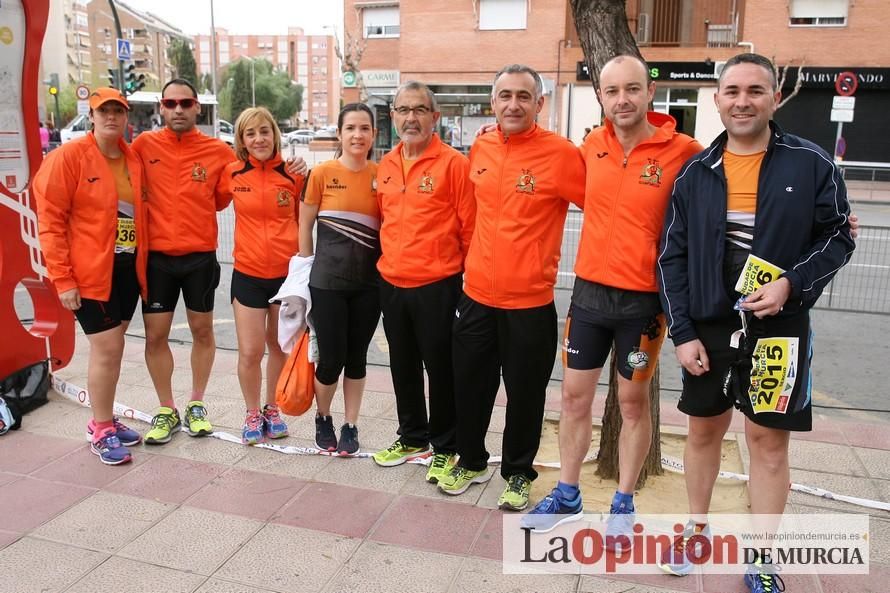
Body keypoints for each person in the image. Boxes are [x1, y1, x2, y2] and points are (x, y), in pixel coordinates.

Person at [657, 53, 855, 591]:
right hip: (709, 329)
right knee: (703, 434)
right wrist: (684, 333)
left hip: (781, 329)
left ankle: (763, 554)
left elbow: (839, 235)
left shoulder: (811, 163)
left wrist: (791, 284)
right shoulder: (695, 174)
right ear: (717, 99)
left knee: (768, 444)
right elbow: (670, 258)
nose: (742, 101)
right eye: (732, 91)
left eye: (755, 90)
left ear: (773, 98)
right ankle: (695, 529)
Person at [520, 55, 703, 543]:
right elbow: (532, 170)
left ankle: (623, 503)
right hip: (589, 296)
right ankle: (567, 495)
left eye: (632, 89)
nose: (622, 99)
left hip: (645, 304)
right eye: (612, 90)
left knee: (631, 404)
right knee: (573, 399)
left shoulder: (684, 152)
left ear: (650, 93)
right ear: (600, 96)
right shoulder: (590, 146)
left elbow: (734, 199)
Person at [437, 64, 585, 512]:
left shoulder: (561, 155)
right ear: (493, 103)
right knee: (470, 386)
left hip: (530, 303)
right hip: (476, 296)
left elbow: (603, 205)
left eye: (524, 96)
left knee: (525, 395)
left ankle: (519, 474)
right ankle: (472, 460)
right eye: (505, 96)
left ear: (540, 104)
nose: (514, 104)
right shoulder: (480, 145)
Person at [34, 87, 148, 465]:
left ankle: (105, 418)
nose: (111, 117)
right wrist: (63, 280)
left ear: (125, 115)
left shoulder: (132, 158)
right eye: (104, 111)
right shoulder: (69, 157)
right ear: (92, 115)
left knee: (113, 349)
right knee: (108, 349)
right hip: (90, 272)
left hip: (127, 270)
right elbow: (49, 222)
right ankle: (100, 428)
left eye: (117, 110)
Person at [371, 81, 475, 483]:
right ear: (393, 116)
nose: (410, 117)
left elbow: (470, 229)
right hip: (392, 284)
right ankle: (413, 436)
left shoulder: (453, 165)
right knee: (403, 365)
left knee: (441, 369)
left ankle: (446, 445)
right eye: (403, 110)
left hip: (438, 285)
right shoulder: (387, 164)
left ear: (435, 117)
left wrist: (464, 284)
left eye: (419, 110)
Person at [130, 78, 238, 445]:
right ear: (161, 107)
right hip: (157, 258)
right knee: (155, 336)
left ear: (197, 107)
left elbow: (225, 197)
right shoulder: (143, 146)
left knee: (202, 332)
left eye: (185, 103)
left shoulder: (218, 152)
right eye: (171, 103)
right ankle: (165, 408)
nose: (178, 109)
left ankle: (196, 404)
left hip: (199, 259)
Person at [217, 107, 305, 444]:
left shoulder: (294, 174)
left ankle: (273, 409)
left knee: (279, 347)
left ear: (274, 134)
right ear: (241, 140)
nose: (258, 139)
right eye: (250, 133)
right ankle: (252, 413)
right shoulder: (232, 173)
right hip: (248, 274)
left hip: (286, 277)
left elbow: (305, 220)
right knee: (251, 351)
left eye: (264, 131)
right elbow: (209, 201)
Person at [299, 103, 381, 456]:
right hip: (327, 283)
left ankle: (350, 424)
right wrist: (304, 271)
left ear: (374, 134)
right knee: (331, 359)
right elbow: (304, 225)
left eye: (365, 128)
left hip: (369, 284)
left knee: (358, 357)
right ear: (339, 133)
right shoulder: (320, 173)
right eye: (351, 128)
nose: (357, 135)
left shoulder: (383, 176)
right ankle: (323, 417)